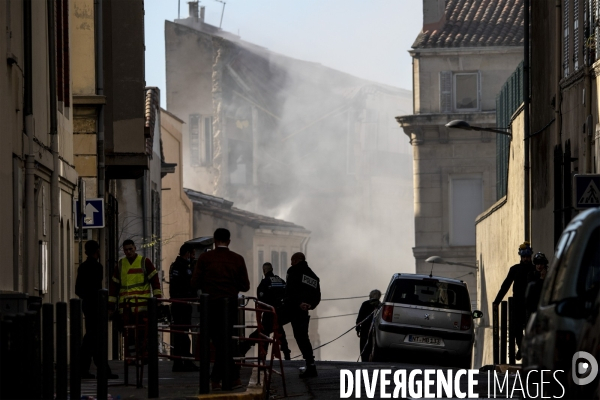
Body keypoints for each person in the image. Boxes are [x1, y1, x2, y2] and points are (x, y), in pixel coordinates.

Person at [191, 228, 250, 391]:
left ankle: (218, 379)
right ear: (229, 241)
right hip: (229, 306)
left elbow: (194, 283)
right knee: (225, 341)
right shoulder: (237, 259)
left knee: (218, 342)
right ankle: (232, 378)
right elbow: (245, 286)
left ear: (214, 241)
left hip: (209, 305)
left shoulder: (204, 258)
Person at [108, 240, 162, 360]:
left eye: (130, 249)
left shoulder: (144, 262)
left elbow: (155, 281)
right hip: (126, 309)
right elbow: (113, 287)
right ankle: (132, 357)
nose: (128, 252)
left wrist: (158, 299)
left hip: (142, 307)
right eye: (126, 250)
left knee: (143, 334)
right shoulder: (121, 265)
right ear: (123, 250)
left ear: (135, 248)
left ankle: (143, 356)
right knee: (129, 335)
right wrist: (111, 306)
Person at [75, 240, 119, 380]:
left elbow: (78, 289)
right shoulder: (97, 267)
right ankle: (94, 368)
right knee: (93, 339)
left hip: (87, 306)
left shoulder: (82, 267)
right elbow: (98, 289)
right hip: (96, 307)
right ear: (96, 251)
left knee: (92, 338)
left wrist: (87, 297)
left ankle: (96, 368)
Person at [279, 252, 321, 378]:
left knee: (271, 322)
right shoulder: (313, 276)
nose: (291, 263)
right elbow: (317, 295)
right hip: (303, 311)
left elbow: (291, 292)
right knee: (302, 338)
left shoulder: (293, 271)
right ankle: (311, 365)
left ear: (296, 260)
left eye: (292, 260)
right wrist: (309, 305)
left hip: (291, 308)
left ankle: (245, 346)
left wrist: (296, 303)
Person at [239, 262, 291, 360]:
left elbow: (261, 300)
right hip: (280, 312)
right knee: (279, 332)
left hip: (269, 313)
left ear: (264, 270)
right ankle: (286, 354)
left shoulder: (265, 282)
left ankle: (245, 349)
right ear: (272, 269)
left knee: (263, 333)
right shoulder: (281, 280)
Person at [493, 241, 535, 360]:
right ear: (521, 257)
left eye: (528, 257)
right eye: (524, 257)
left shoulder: (534, 269)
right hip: (517, 304)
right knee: (517, 329)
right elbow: (505, 286)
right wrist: (497, 301)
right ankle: (521, 348)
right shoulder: (515, 269)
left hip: (531, 305)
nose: (526, 259)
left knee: (530, 329)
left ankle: (526, 350)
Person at [169, 243, 199, 372]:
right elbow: (189, 285)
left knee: (180, 334)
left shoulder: (175, 266)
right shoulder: (184, 267)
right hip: (182, 304)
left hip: (178, 304)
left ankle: (179, 362)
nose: (193, 257)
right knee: (183, 334)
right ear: (187, 254)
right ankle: (185, 361)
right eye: (192, 254)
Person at [356, 289, 381, 362]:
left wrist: (358, 329)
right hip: (375, 332)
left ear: (370, 296)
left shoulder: (365, 304)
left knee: (364, 347)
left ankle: (364, 362)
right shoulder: (380, 305)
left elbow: (359, 317)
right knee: (371, 347)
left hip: (364, 330)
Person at [525, 252, 549, 322]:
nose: (539, 266)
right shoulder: (531, 274)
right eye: (537, 264)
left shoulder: (549, 275)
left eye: (541, 264)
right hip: (533, 306)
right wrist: (541, 278)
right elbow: (533, 289)